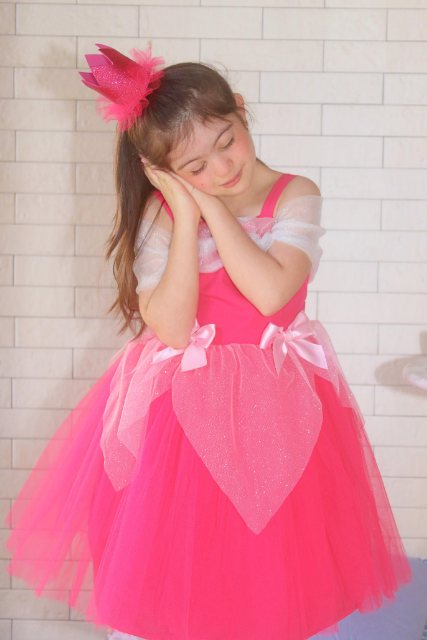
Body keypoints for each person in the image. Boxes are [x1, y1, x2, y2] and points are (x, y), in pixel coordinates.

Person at [4, 44, 412, 640]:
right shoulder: (162, 216)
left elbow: (271, 293)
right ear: (164, 172)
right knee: (172, 577)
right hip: (180, 417)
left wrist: (209, 208)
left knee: (266, 576)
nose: (221, 170)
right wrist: (183, 217)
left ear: (240, 111)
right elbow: (172, 328)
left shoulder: (294, 193)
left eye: (226, 142)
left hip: (275, 414)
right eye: (195, 168)